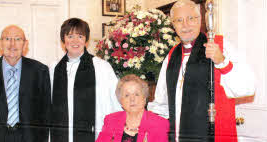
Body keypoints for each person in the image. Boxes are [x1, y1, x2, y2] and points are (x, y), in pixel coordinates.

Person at [147, 0, 255, 142]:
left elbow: (247, 88)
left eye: (191, 18)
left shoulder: (221, 45)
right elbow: (161, 103)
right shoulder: (171, 56)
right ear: (173, 25)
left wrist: (222, 62)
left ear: (200, 20)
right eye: (179, 20)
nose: (185, 25)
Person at [0, 25, 51, 142]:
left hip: (28, 137)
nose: (12, 44)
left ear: (25, 44)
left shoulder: (40, 71)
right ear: (0, 43)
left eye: (18, 39)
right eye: (7, 39)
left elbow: (45, 113)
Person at [50, 18, 122, 142]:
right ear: (63, 39)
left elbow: (115, 102)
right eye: (70, 36)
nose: (75, 41)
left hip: (95, 134)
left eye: (80, 36)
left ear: (86, 40)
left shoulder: (101, 67)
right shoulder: (54, 68)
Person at [96, 74, 169, 142]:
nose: (132, 99)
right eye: (127, 95)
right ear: (121, 101)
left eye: (136, 94)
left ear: (144, 98)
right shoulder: (111, 120)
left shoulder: (160, 124)